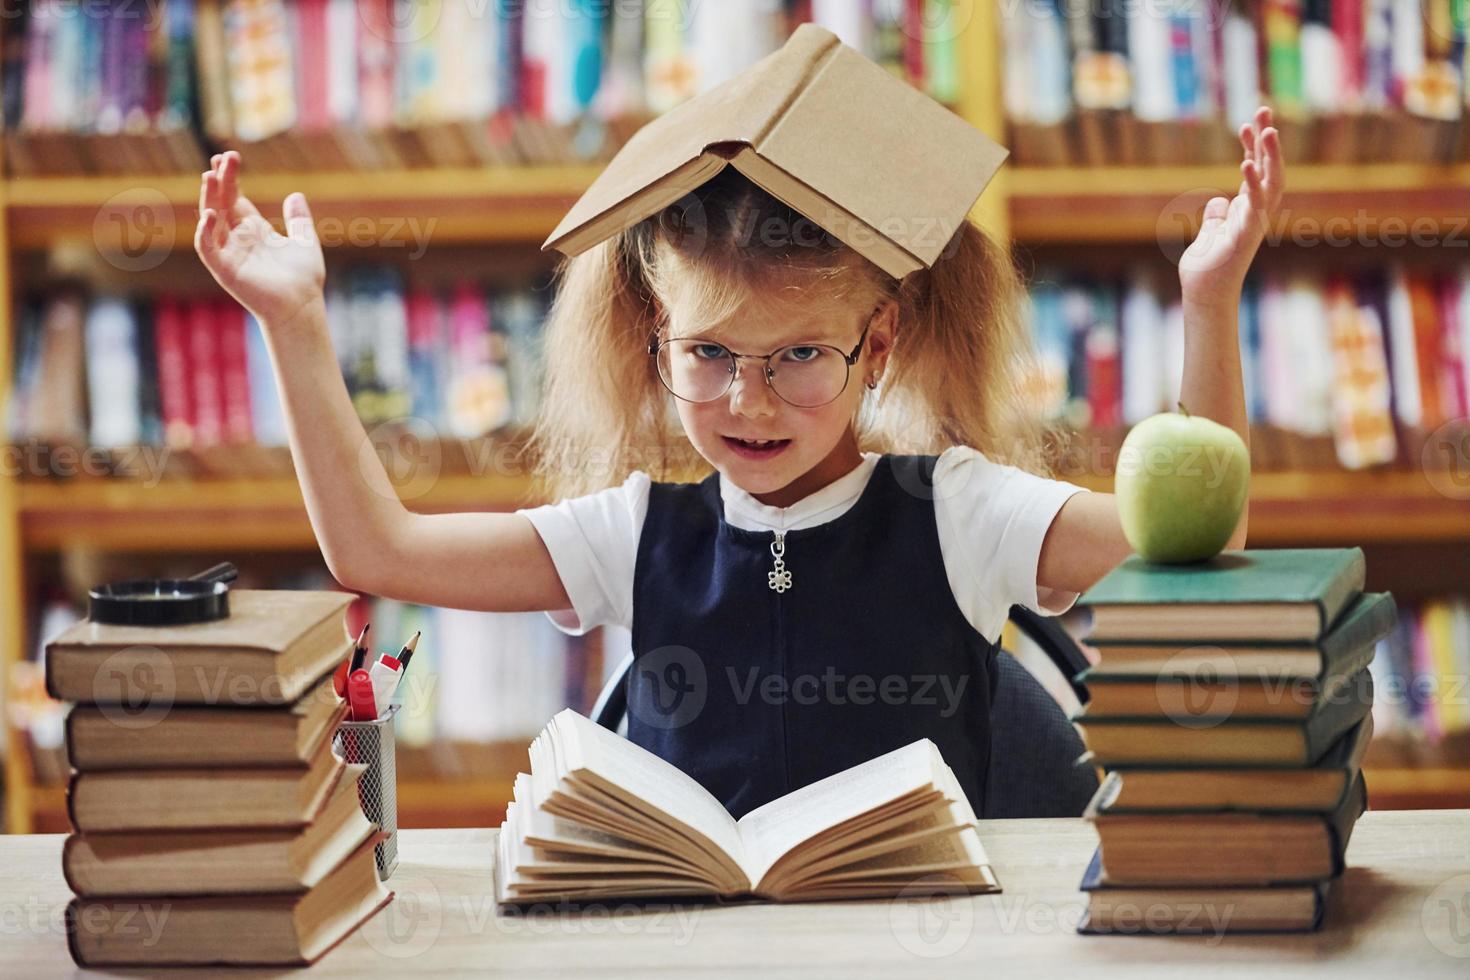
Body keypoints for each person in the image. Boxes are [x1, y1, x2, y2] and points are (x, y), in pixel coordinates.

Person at [194, 103, 1285, 820]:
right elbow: (375, 548)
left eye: (800, 355)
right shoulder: (634, 530)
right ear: (654, 336)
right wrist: (291, 322)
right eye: (706, 353)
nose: (747, 401)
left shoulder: (958, 510)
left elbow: (1198, 537)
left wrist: (1209, 299)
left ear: (881, 344)